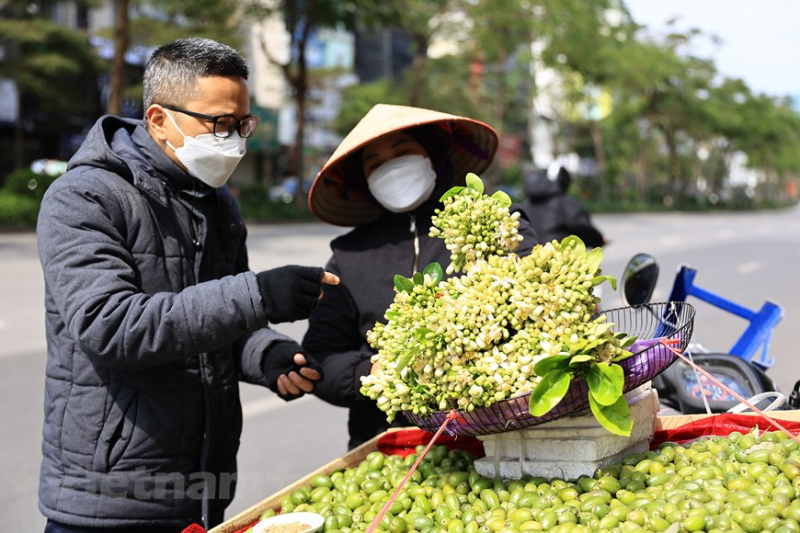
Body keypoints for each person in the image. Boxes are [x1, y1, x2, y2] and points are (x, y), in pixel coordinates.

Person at [36, 37, 338, 532]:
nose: (235, 140)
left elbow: (217, 324)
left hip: (202, 486)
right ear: (158, 120)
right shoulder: (84, 197)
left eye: (243, 124)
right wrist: (259, 295)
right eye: (220, 124)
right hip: (110, 501)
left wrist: (264, 354)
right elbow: (111, 327)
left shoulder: (216, 202)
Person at [302, 104, 540, 449]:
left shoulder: (489, 223)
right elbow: (321, 357)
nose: (392, 167)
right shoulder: (348, 256)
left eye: (404, 152)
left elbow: (538, 300)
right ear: (364, 179)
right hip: (392, 444)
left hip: (496, 432)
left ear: (434, 157)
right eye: (375, 163)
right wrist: (374, 372)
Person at [521, 165, 607, 248]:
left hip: (530, 256)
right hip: (558, 256)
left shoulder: (526, 204)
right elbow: (581, 225)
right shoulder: (563, 201)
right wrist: (599, 240)